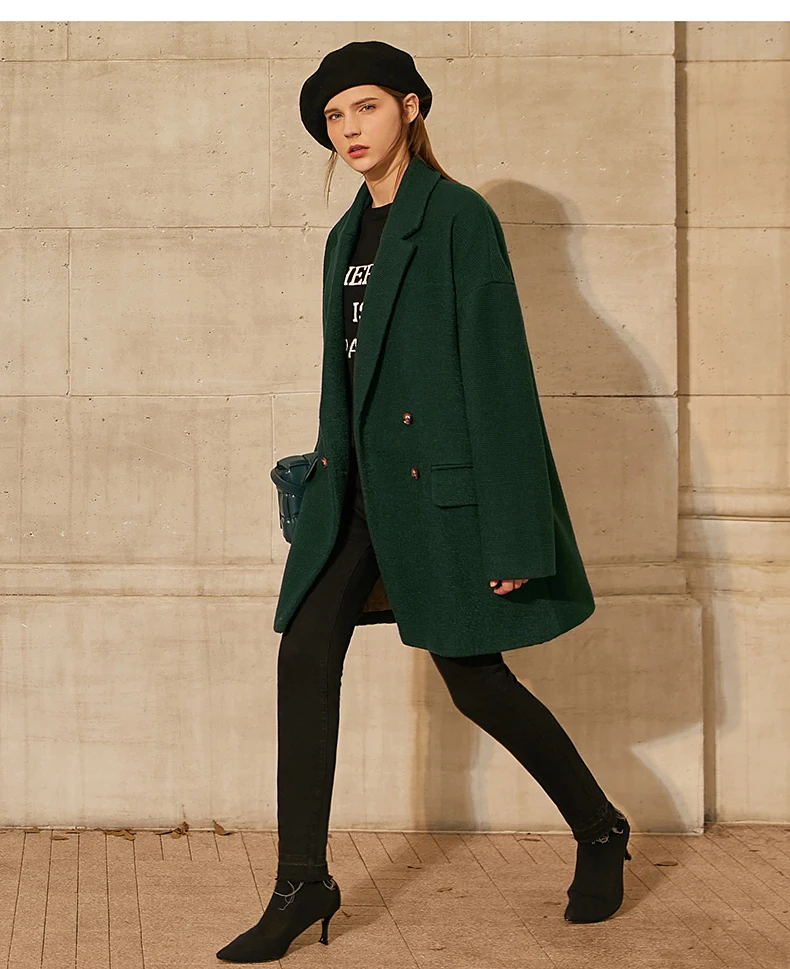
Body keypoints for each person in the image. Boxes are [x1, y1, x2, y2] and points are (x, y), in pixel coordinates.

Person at [216, 40, 631, 965]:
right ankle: (301, 880)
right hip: (353, 494)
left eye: (364, 106)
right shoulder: (343, 237)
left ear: (410, 106)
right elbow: (347, 378)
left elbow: (499, 376)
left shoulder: (457, 217)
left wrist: (513, 531)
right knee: (304, 654)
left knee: (475, 680)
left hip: (437, 497)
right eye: (333, 117)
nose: (347, 128)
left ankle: (601, 827)